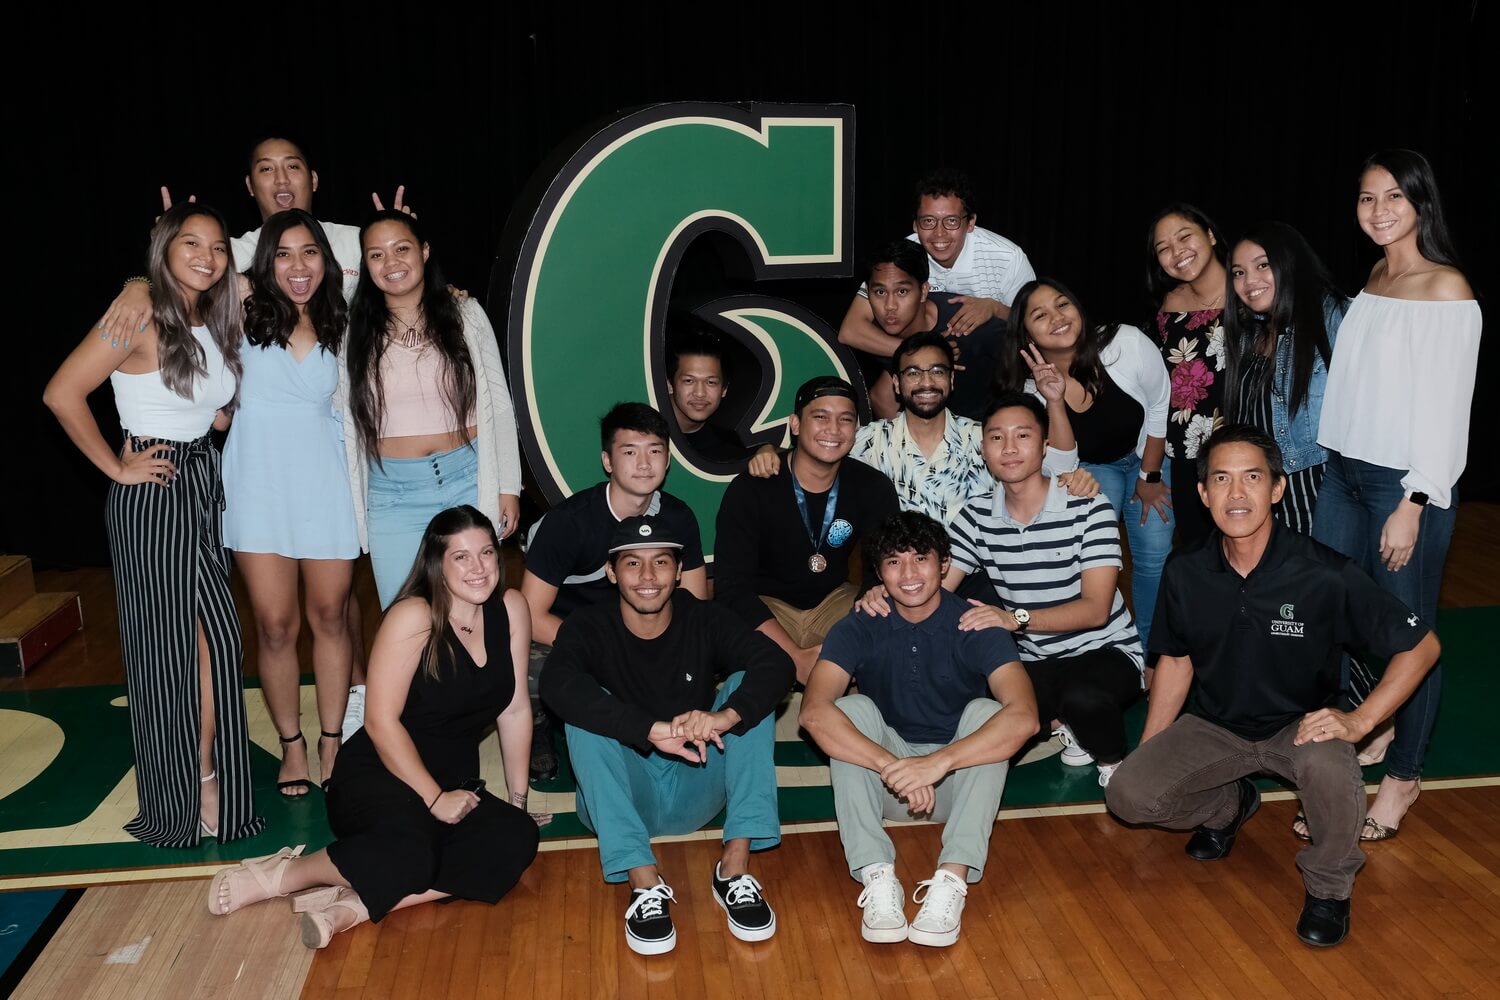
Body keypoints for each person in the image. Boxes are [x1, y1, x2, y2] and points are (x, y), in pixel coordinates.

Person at [1106, 426, 1440, 947]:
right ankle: (1230, 805)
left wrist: (1361, 720)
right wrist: (1151, 750)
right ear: (1203, 494)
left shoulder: (1324, 572)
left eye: (1252, 478)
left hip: (1302, 726)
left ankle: (1330, 888)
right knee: (1128, 794)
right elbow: (1176, 660)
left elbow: (1421, 646)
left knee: (1332, 769)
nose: (1237, 494)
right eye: (1222, 479)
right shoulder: (1185, 570)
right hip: (1217, 727)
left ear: (1278, 489)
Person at [206, 506, 540, 949]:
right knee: (415, 851)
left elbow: (515, 711)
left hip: (453, 781)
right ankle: (285, 875)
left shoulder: (512, 608)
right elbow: (380, 723)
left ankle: (353, 905)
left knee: (517, 837)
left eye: (486, 554)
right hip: (377, 773)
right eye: (461, 557)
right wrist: (434, 798)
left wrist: (518, 801)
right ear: (437, 564)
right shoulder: (414, 617)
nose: (478, 568)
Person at [43, 203, 261, 847]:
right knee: (165, 651)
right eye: (189, 243)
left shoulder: (213, 318)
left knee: (214, 644)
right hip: (155, 489)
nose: (207, 256)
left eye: (218, 247)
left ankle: (205, 772)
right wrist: (115, 466)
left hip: (200, 484)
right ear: (162, 250)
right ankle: (185, 789)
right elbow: (61, 393)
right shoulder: (137, 317)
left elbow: (214, 411)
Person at [1312, 149, 1480, 838]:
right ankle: (1375, 738)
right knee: (1344, 619)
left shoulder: (1447, 289)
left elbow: (1448, 410)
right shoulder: (1377, 276)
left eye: (1393, 198)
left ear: (1421, 204)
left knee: (1411, 636)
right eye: (1366, 199)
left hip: (1400, 485)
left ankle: (1404, 776)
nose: (1378, 211)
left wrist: (1416, 502)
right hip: (1343, 473)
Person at [541, 515, 794, 954]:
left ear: (679, 572)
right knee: (584, 706)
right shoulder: (587, 625)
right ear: (611, 571)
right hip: (621, 797)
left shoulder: (705, 617)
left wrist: (724, 717)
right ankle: (643, 880)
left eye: (660, 562)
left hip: (695, 783)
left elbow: (778, 665)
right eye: (632, 564)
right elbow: (556, 685)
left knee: (744, 693)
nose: (647, 577)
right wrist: (649, 730)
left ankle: (733, 869)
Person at [800, 511, 1037, 947]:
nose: (908, 574)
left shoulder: (975, 622)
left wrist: (935, 764)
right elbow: (812, 712)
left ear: (944, 563)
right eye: (893, 562)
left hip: (957, 782)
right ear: (878, 572)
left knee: (989, 712)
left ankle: (951, 878)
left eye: (920, 559)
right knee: (849, 709)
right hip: (885, 785)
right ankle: (877, 877)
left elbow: (1025, 717)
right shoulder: (859, 623)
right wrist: (895, 766)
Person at [936, 394, 1144, 787]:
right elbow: (940, 589)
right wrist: (891, 595)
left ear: (1045, 445)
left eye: (1022, 435)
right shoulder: (977, 514)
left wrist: (1013, 620)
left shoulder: (1088, 505)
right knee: (975, 713)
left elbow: (1096, 609)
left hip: (1105, 651)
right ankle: (1065, 721)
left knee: (1082, 695)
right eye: (996, 438)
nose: (1010, 448)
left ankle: (1115, 762)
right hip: (1037, 659)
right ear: (984, 449)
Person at [223, 209, 359, 797]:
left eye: (310, 253)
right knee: (275, 625)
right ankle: (292, 746)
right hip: (257, 484)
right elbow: (180, 279)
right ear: (263, 263)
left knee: (330, 616)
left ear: (327, 261)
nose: (297, 266)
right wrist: (142, 276)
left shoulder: (346, 320)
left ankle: (332, 741)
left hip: (326, 483)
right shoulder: (237, 312)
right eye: (283, 253)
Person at [340, 210, 523, 608]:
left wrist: (508, 484)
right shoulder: (351, 329)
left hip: (468, 480)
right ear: (364, 265)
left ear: (424, 251)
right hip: (392, 493)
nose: (391, 263)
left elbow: (499, 403)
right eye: (376, 254)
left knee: (475, 608)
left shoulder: (466, 314)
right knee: (405, 615)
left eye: (402, 248)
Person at [521, 402, 709, 780]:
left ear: (668, 460)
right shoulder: (568, 523)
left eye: (654, 451)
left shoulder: (678, 517)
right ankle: (537, 729)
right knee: (526, 663)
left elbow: (696, 604)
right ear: (608, 461)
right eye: (630, 452)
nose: (644, 464)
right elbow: (529, 614)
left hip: (647, 630)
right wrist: (607, 647)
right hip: (573, 633)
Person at [996, 279, 1172, 646]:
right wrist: (1055, 400)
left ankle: (1150, 650)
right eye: (1040, 315)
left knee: (1154, 555)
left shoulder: (1126, 343)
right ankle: (1105, 643)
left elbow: (1159, 406)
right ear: (1026, 335)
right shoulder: (1032, 391)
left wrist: (1150, 475)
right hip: (1090, 468)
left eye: (1063, 305)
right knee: (1091, 555)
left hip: (1145, 455)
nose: (1057, 318)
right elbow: (1061, 466)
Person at [714, 376, 901, 683]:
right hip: (768, 605)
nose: (833, 429)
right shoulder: (752, 487)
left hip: (833, 602)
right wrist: (794, 655)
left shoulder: (872, 486)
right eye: (820, 417)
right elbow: (731, 588)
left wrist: (853, 632)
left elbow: (886, 566)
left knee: (888, 628)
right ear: (795, 425)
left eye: (845, 420)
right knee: (736, 641)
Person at [845, 331, 1094, 527]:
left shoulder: (984, 437)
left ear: (951, 380)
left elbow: (1056, 468)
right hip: (901, 577)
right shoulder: (870, 441)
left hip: (979, 579)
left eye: (937, 371)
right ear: (897, 384)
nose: (927, 382)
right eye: (913, 373)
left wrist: (1074, 477)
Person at [1223, 221, 1348, 536]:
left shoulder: (1332, 317)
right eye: (1238, 272)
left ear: (1289, 263)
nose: (1249, 281)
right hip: (1264, 498)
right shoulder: (1246, 334)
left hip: (1320, 496)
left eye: (1262, 265)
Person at [838, 239, 1008, 420]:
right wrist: (926, 349)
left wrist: (996, 308)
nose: (889, 306)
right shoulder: (882, 331)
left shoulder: (965, 326)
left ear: (924, 291)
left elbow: (1028, 335)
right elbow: (881, 398)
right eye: (880, 292)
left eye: (902, 292)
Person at [1146, 204, 1229, 544]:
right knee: (1198, 551)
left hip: (1241, 447)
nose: (1176, 252)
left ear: (1210, 234)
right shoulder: (1168, 303)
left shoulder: (1251, 291)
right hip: (1185, 452)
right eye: (1163, 248)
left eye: (1184, 238)